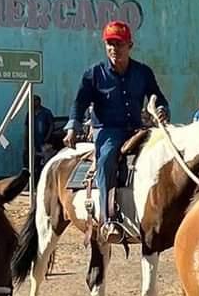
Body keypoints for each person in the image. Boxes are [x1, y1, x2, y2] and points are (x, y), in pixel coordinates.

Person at [64, 21, 170, 244]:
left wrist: (162, 109)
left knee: (164, 152)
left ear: (130, 45)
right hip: (108, 131)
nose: (114, 48)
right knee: (106, 160)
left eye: (119, 44)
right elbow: (79, 102)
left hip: (137, 128)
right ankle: (108, 219)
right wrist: (73, 125)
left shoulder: (143, 72)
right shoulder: (93, 74)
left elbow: (158, 96)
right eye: (110, 44)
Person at [25, 94, 55, 178]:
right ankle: (34, 180)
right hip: (34, 143)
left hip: (45, 142)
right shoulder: (30, 113)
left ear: (39, 101)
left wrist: (47, 137)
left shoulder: (46, 112)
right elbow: (27, 128)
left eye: (34, 100)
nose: (32, 103)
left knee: (46, 163)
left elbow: (51, 125)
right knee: (34, 163)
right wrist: (26, 142)